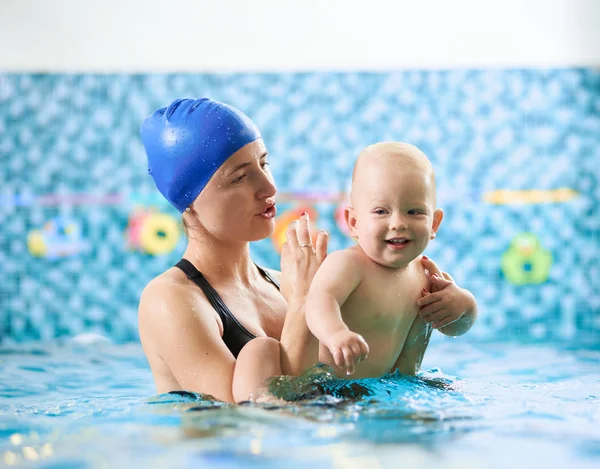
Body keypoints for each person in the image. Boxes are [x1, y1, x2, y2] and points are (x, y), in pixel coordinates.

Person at [137, 98, 472, 403]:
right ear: (189, 200)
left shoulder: (287, 282)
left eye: (264, 164)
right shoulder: (171, 301)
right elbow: (241, 421)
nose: (269, 187)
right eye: (240, 178)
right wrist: (300, 304)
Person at [304, 142, 478, 378]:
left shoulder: (426, 274)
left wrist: (464, 307)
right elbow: (318, 302)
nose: (398, 223)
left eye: (414, 211)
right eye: (381, 211)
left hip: (395, 390)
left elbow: (454, 328)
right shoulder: (348, 265)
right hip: (334, 393)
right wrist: (336, 333)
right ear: (354, 222)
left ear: (434, 223)